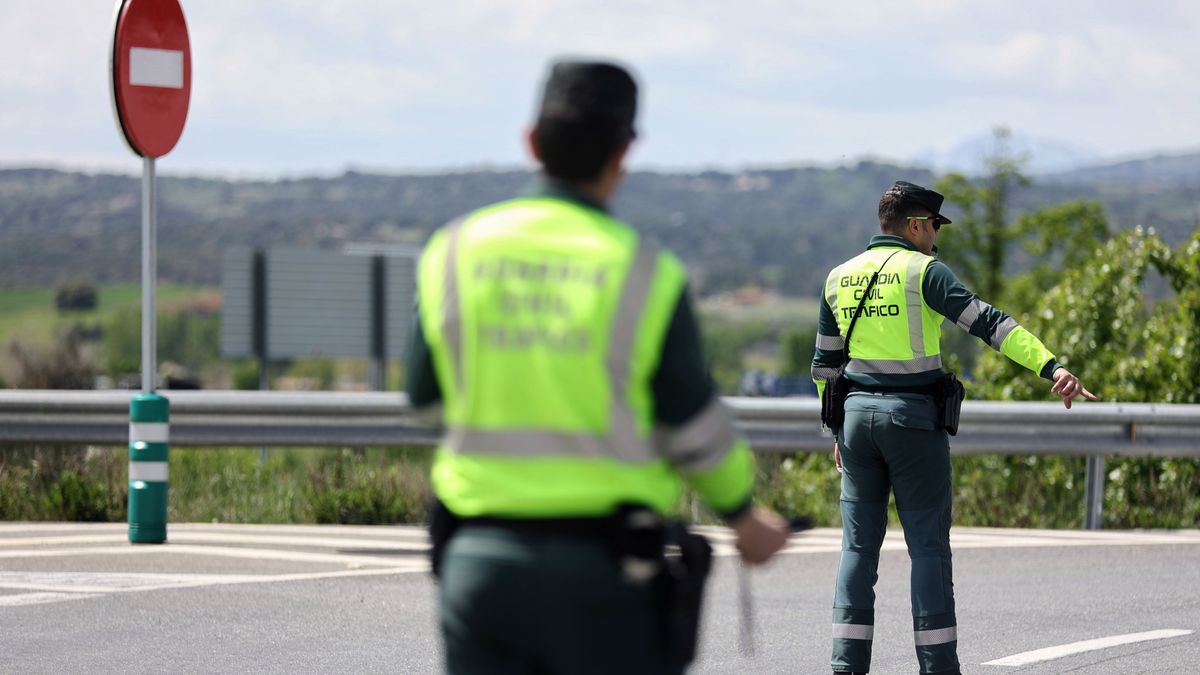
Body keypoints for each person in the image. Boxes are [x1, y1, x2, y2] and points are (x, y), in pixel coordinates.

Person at [406, 59, 791, 675]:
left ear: (532, 141)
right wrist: (744, 516)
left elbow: (425, 402)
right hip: (608, 578)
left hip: (480, 567)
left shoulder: (454, 249)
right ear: (624, 152)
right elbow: (694, 427)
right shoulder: (644, 272)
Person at [810, 181, 1097, 675]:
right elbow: (992, 324)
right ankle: (938, 666)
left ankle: (845, 666)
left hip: (856, 422)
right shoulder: (925, 272)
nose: (935, 238)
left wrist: (836, 430)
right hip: (912, 423)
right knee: (926, 547)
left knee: (857, 550)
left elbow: (824, 368)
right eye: (935, 227)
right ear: (917, 224)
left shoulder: (839, 277)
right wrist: (1051, 367)